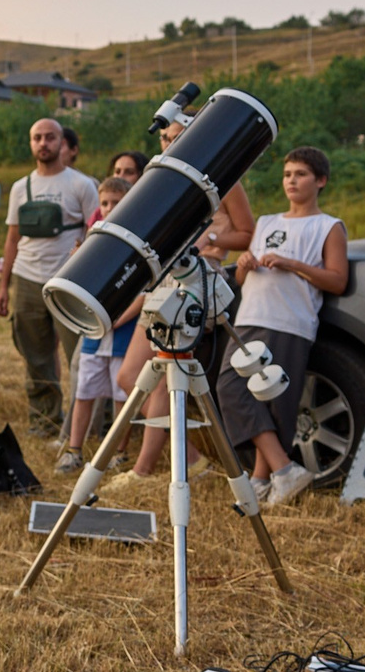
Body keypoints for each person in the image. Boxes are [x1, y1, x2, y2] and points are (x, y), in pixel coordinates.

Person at [114, 109, 256, 480]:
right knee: (129, 377)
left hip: (196, 281)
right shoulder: (159, 178)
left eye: (178, 136)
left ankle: (143, 471)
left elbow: (246, 234)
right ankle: (193, 459)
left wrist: (209, 239)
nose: (170, 143)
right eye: (164, 138)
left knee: (162, 379)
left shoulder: (224, 179)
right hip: (161, 282)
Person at [219, 147, 350, 506]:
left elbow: (337, 280)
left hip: (289, 321)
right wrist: (244, 263)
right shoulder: (265, 222)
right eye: (287, 174)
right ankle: (282, 470)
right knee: (230, 387)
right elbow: (244, 280)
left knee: (273, 399)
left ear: (320, 181)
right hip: (249, 316)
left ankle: (262, 480)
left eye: (300, 174)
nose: (291, 180)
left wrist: (293, 264)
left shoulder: (328, 226)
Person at [0, 117, 100, 449]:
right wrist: (3, 286)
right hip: (27, 279)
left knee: (82, 357)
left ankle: (90, 424)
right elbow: (12, 238)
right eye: (37, 137)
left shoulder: (81, 184)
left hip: (69, 281)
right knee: (35, 355)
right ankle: (44, 420)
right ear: (31, 143)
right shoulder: (19, 187)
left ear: (62, 142)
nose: (43, 143)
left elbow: (97, 231)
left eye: (50, 137)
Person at [65, 176, 139, 465]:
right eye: (105, 203)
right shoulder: (93, 237)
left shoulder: (138, 239)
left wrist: (118, 318)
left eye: (117, 203)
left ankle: (118, 451)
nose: (109, 208)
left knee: (121, 393)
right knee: (85, 390)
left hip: (123, 328)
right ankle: (74, 450)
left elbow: (143, 292)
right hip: (95, 330)